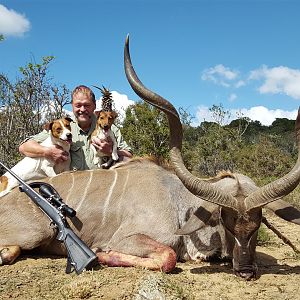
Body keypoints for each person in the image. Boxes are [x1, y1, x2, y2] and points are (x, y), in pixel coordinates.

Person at [19, 85, 132, 170]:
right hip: (72, 188)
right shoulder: (62, 127)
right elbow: (24, 147)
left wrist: (111, 150)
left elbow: (129, 156)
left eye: (87, 105)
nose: (82, 109)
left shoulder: (110, 128)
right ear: (72, 106)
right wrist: (48, 152)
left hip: (102, 186)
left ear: (94, 106)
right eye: (78, 105)